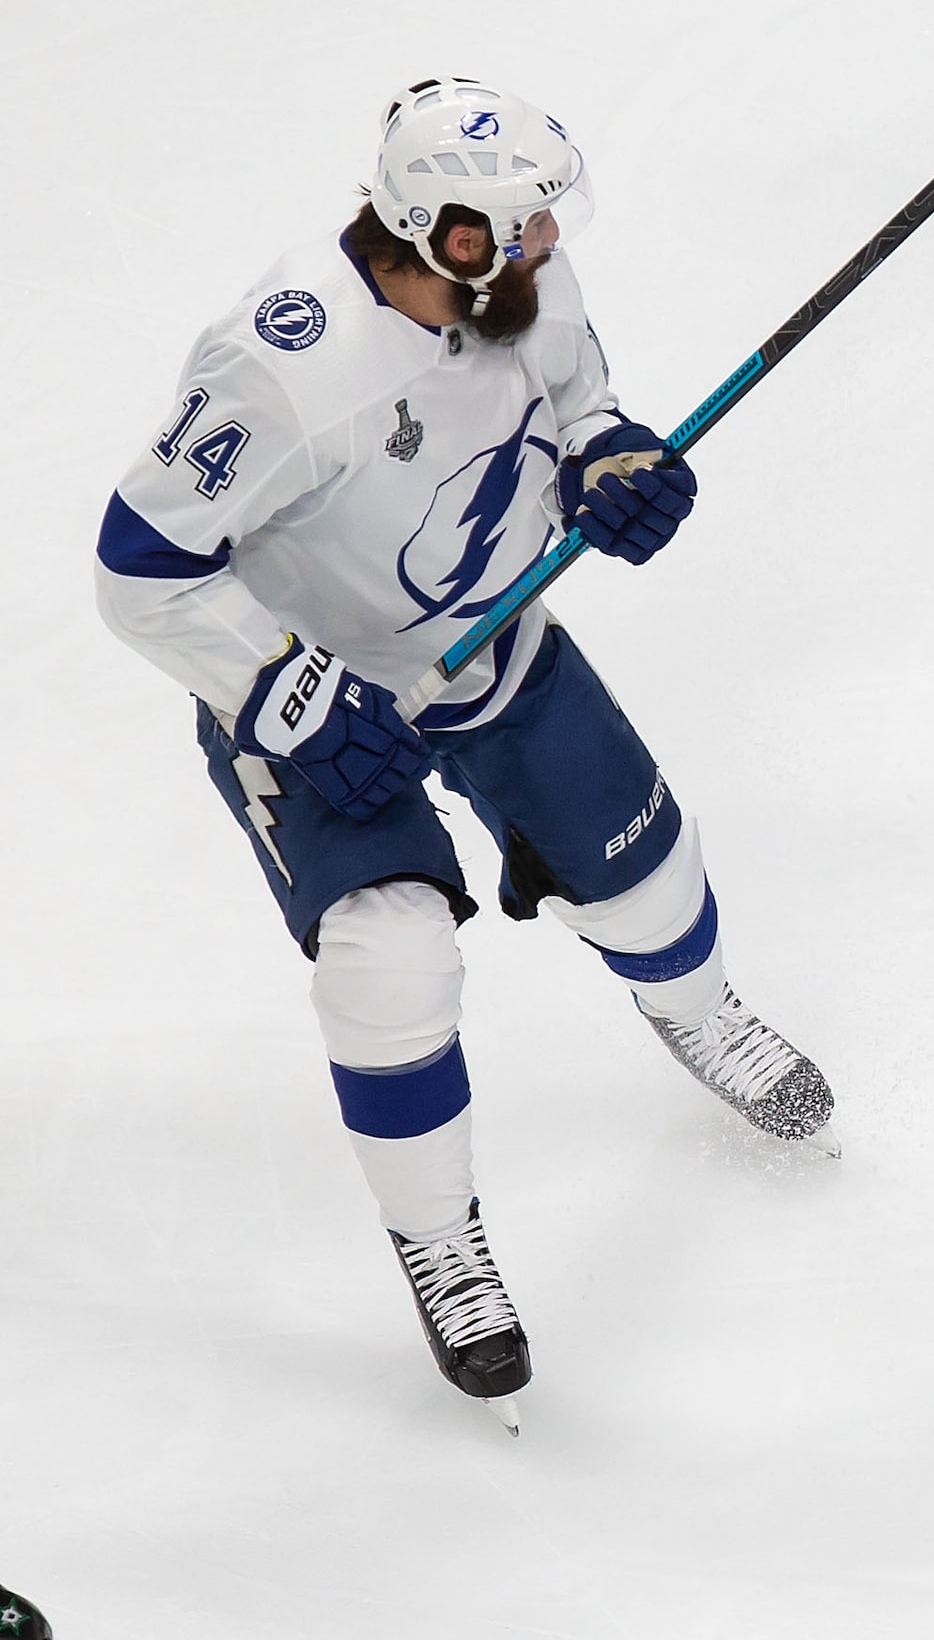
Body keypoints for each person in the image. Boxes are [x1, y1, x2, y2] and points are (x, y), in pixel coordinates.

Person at [93, 78, 834, 1432]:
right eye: (519, 227)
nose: (548, 244)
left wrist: (610, 466)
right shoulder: (281, 364)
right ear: (440, 232)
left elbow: (581, 409)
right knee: (389, 963)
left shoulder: (520, 281)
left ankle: (698, 1014)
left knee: (653, 882)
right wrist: (282, 691)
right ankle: (441, 1240)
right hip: (324, 705)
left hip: (494, 648)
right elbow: (142, 568)